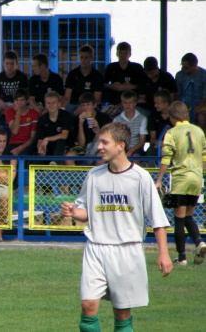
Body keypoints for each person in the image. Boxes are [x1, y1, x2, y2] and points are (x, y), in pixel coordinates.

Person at [60, 122, 173, 332]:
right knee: (88, 304)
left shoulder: (140, 178)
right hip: (96, 247)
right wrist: (74, 212)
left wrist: (163, 254)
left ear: (120, 146)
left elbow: (158, 220)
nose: (99, 147)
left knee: (121, 311)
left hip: (127, 249)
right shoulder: (94, 175)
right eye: (99, 142)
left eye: (104, 142)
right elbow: (86, 211)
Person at [155, 101, 206, 266]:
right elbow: (204, 156)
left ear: (172, 117)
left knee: (179, 218)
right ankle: (199, 242)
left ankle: (182, 257)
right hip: (197, 177)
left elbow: (166, 157)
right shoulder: (199, 131)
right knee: (189, 216)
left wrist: (159, 179)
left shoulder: (172, 132)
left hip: (181, 177)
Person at [65, 92, 112, 165]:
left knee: (100, 157)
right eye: (83, 105)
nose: (85, 108)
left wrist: (97, 127)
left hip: (100, 146)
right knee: (68, 157)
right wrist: (80, 124)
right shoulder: (77, 119)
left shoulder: (103, 118)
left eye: (88, 105)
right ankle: (76, 176)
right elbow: (81, 144)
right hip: (83, 148)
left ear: (94, 105)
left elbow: (103, 140)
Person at [62, 45, 104, 115]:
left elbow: (97, 99)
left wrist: (84, 108)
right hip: (74, 106)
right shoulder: (72, 74)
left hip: (91, 106)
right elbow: (67, 96)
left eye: (86, 58)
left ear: (92, 58)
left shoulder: (97, 76)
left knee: (94, 114)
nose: (83, 60)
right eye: (81, 57)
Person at [103, 42, 146, 107]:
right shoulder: (111, 67)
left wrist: (131, 86)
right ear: (117, 53)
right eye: (120, 52)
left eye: (125, 53)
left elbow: (143, 85)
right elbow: (103, 84)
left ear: (130, 54)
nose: (123, 56)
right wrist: (112, 86)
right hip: (115, 102)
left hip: (133, 103)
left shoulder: (137, 68)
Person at [0, 50, 29, 117]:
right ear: (3, 64)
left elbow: (25, 96)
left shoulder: (22, 77)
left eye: (12, 63)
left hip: (18, 103)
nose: (9, 66)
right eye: (7, 63)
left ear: (16, 64)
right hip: (3, 104)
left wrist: (14, 105)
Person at [35, 91, 72, 162]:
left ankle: (55, 166)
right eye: (48, 103)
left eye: (53, 102)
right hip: (48, 147)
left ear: (58, 104)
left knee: (60, 141)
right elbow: (40, 139)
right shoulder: (42, 119)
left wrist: (47, 139)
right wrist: (41, 149)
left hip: (65, 147)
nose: (51, 105)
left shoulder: (66, 115)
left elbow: (64, 135)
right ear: (45, 104)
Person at [174, 53, 206, 133]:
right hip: (184, 106)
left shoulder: (204, 75)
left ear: (194, 65)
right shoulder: (179, 75)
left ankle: (201, 140)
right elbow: (177, 94)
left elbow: (205, 98)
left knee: (201, 118)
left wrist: (194, 109)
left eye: (186, 67)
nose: (182, 69)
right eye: (182, 66)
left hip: (201, 106)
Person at [112, 90, 147, 159]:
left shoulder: (142, 119)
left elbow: (142, 141)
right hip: (121, 148)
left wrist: (131, 151)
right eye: (125, 103)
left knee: (135, 157)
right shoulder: (116, 119)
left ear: (135, 103)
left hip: (136, 148)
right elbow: (115, 139)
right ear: (122, 103)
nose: (128, 105)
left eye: (130, 103)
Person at [5, 88, 39, 156]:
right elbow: (14, 131)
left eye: (22, 100)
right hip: (13, 144)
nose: (19, 103)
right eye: (16, 100)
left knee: (24, 156)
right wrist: (18, 112)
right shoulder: (9, 111)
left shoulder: (34, 114)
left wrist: (19, 148)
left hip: (27, 145)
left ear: (27, 101)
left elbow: (33, 138)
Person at [145, 90, 173, 157]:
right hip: (157, 145)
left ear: (166, 103)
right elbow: (152, 138)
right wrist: (160, 143)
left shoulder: (175, 115)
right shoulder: (153, 115)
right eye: (155, 103)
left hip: (173, 145)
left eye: (157, 103)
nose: (155, 105)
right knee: (151, 153)